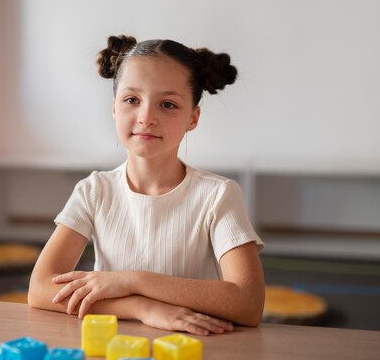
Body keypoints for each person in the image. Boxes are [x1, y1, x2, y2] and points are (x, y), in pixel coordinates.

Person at [28, 35, 265, 336]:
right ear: (114, 108)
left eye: (168, 104)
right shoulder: (94, 191)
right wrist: (142, 308)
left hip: (197, 347)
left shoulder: (218, 195)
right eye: (131, 100)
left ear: (193, 118)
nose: (146, 117)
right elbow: (39, 289)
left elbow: (248, 302)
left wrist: (133, 280)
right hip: (114, 347)